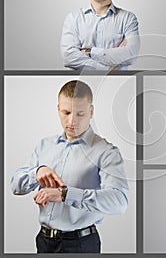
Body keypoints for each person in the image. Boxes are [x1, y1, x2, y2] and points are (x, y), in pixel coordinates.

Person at [10, 80, 129, 253]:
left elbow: (120, 202)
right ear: (58, 109)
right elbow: (15, 186)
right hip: (44, 242)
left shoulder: (106, 152)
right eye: (66, 112)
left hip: (81, 245)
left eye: (80, 114)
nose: (72, 120)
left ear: (91, 111)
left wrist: (65, 194)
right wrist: (36, 173)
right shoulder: (44, 145)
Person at [61, 0, 140, 71]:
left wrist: (90, 51)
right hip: (81, 84)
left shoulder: (128, 18)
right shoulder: (73, 18)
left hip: (117, 83)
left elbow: (132, 54)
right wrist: (106, 68)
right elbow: (68, 57)